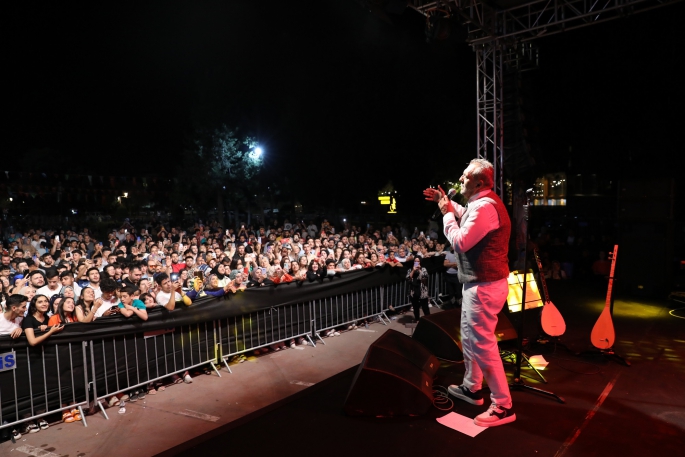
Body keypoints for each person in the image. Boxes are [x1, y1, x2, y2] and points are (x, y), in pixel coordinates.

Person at [425, 158, 515, 427]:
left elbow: (461, 241)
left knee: (483, 344)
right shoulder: (481, 203)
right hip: (479, 284)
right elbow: (467, 214)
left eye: (465, 176)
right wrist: (446, 202)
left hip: (485, 286)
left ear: (479, 182)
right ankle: (472, 388)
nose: (460, 179)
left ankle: (503, 405)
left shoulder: (485, 208)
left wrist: (446, 214)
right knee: (469, 337)